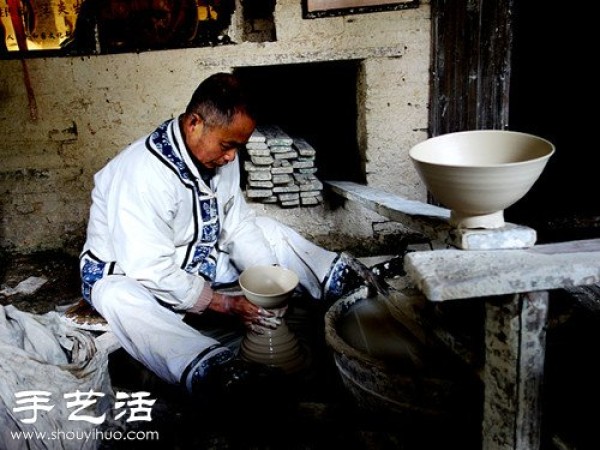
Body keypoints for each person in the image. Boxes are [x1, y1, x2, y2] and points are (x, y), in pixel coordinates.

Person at [79, 72, 374, 401]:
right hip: (129, 272)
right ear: (194, 123)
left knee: (270, 231)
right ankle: (215, 370)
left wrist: (269, 281)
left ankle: (342, 284)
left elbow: (235, 222)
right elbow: (148, 268)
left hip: (195, 259)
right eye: (227, 145)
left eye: (238, 147)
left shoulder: (221, 155)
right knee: (121, 298)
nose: (232, 156)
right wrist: (225, 304)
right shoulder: (141, 173)